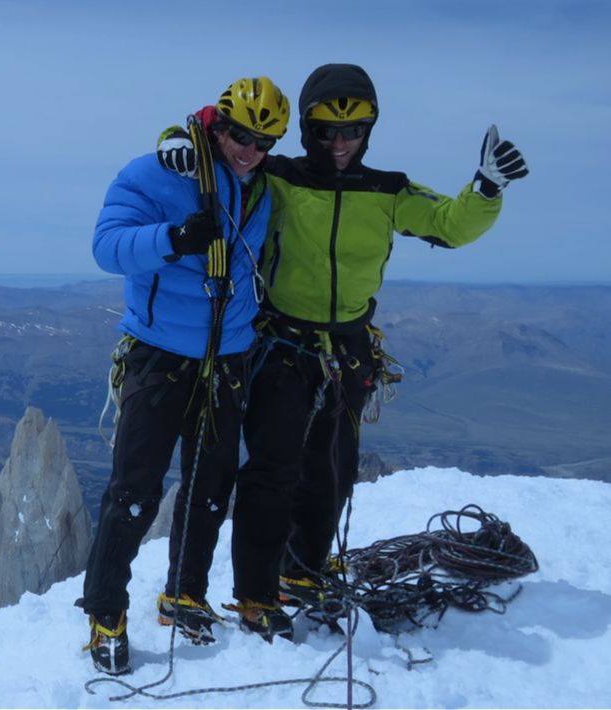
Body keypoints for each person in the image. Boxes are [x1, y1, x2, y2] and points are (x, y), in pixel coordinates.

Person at [156, 63, 529, 641]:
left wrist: (485, 188)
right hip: (282, 344)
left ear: (369, 131)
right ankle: (256, 591)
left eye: (353, 131)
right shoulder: (278, 175)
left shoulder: (387, 190)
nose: (339, 142)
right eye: (327, 130)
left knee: (333, 471)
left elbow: (448, 225)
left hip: (348, 348)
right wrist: (180, 138)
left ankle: (301, 569)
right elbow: (223, 144)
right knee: (274, 470)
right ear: (307, 129)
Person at [80, 77, 291, 675]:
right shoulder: (156, 172)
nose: (250, 150)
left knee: (208, 487)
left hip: (228, 356)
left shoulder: (263, 187)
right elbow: (107, 246)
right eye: (240, 136)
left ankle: (183, 593)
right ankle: (104, 614)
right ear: (216, 124)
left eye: (264, 141)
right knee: (134, 491)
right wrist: (173, 239)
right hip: (160, 352)